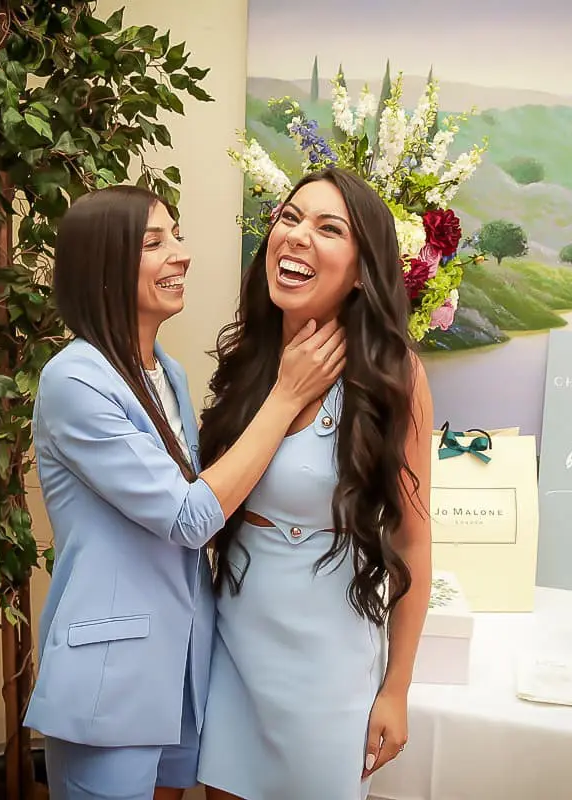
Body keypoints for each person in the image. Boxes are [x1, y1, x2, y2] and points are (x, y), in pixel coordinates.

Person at [23, 185, 346, 800]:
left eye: (176, 235)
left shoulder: (167, 372)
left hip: (184, 666)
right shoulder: (74, 380)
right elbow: (191, 515)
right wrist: (286, 396)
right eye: (154, 242)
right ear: (104, 269)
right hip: (111, 678)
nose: (182, 254)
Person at [196, 167, 434, 800]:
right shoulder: (248, 358)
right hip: (233, 649)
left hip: (330, 668)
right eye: (290, 217)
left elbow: (413, 542)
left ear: (361, 271)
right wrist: (285, 389)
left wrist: (397, 689)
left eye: (329, 228)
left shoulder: (394, 375)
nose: (297, 235)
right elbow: (203, 507)